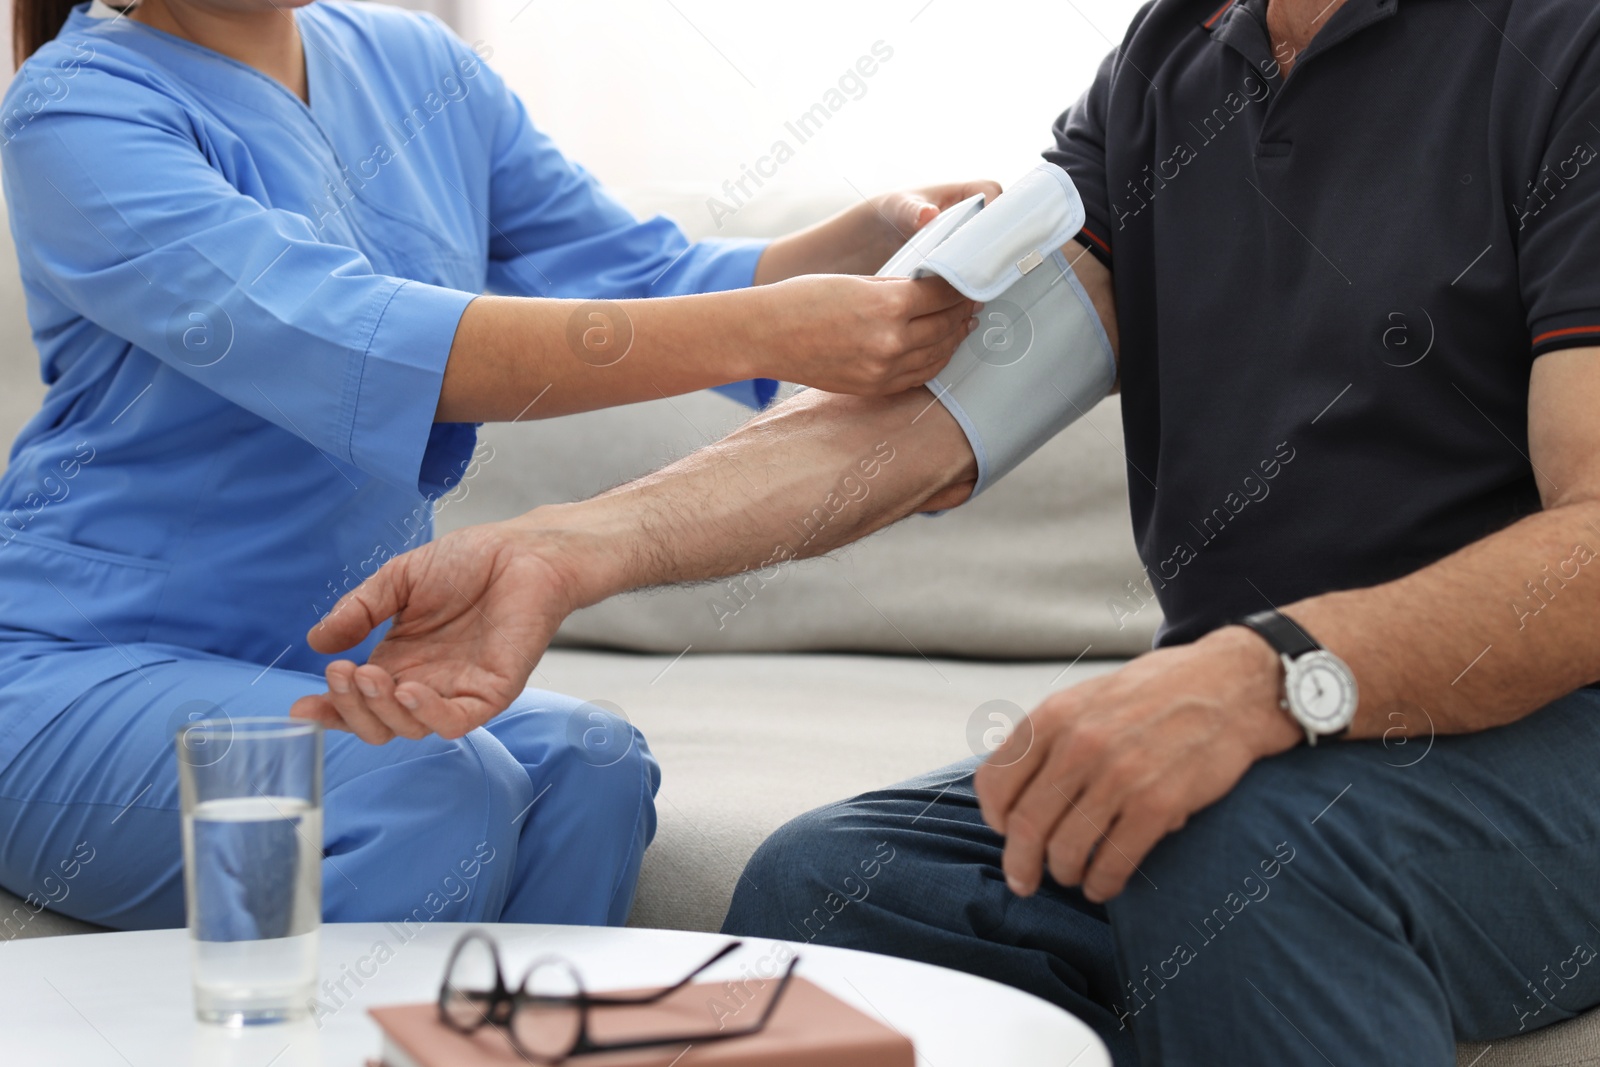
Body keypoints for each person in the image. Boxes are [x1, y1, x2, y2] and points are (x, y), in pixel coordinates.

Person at [295, 0, 1600, 1062]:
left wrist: (1268, 673)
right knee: (835, 885)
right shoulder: (1170, 66)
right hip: (1262, 735)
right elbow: (914, 422)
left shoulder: (1562, 50)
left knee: (1248, 851)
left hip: (1543, 743)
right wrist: (564, 547)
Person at [0, 0, 992, 932]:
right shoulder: (74, 112)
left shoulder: (415, 65)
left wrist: (873, 242)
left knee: (590, 766)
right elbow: (350, 339)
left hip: (324, 660)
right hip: (79, 667)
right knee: (424, 791)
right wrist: (766, 328)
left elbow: (643, 278)